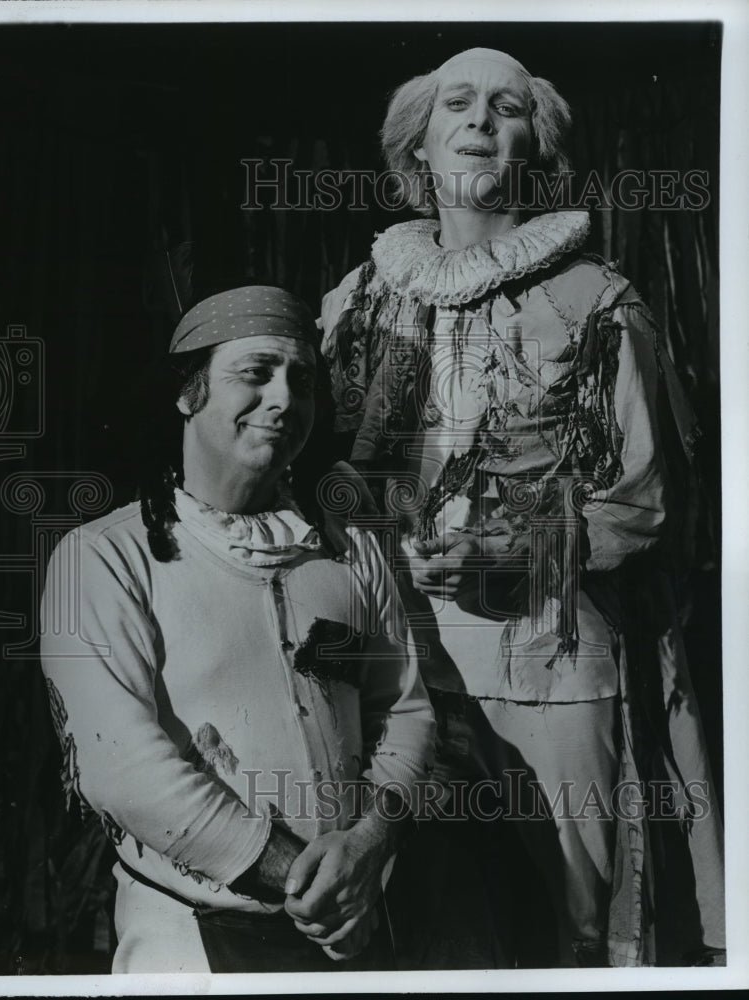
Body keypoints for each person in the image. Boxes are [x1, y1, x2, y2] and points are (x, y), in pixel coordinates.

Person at [320, 47, 725, 967]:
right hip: (396, 660)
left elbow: (650, 502)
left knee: (577, 918)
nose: (478, 122)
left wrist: (514, 549)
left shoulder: (597, 304)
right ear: (416, 146)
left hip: (548, 657)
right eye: (456, 105)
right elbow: (326, 471)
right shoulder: (358, 301)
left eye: (505, 109)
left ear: (534, 148)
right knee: (418, 908)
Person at [40, 285, 436, 973]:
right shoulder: (106, 558)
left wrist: (370, 845)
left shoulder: (346, 553)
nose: (285, 398)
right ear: (189, 393)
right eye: (255, 374)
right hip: (189, 941)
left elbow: (400, 710)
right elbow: (124, 766)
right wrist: (307, 885)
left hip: (356, 928)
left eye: (302, 380)